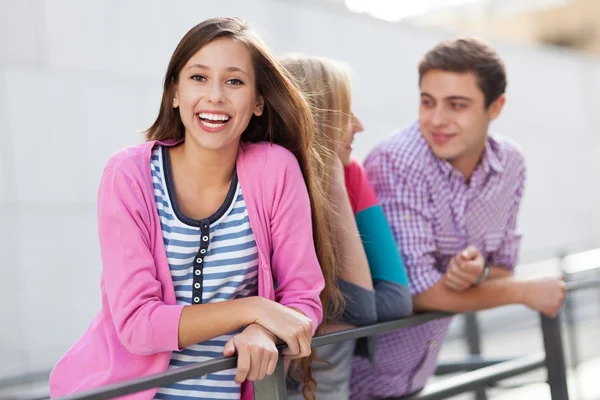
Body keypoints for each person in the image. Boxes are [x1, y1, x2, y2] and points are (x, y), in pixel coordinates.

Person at [49, 17, 342, 400]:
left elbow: (302, 295)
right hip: (123, 391)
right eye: (198, 77)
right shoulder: (129, 174)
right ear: (174, 92)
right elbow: (138, 326)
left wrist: (264, 329)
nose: (215, 96)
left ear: (257, 102)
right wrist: (252, 310)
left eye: (234, 81)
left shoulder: (275, 169)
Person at [350, 37, 567, 399]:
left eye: (457, 105)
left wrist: (474, 272)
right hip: (352, 381)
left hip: (416, 378)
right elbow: (418, 293)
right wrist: (527, 292)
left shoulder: (509, 165)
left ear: (495, 107)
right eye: (427, 102)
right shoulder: (397, 161)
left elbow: (501, 268)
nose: (437, 120)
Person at [281, 55, 412, 400]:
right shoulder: (269, 181)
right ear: (315, 120)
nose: (359, 125)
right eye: (345, 113)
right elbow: (360, 306)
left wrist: (335, 174)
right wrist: (337, 312)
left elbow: (394, 300)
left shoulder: (350, 173)